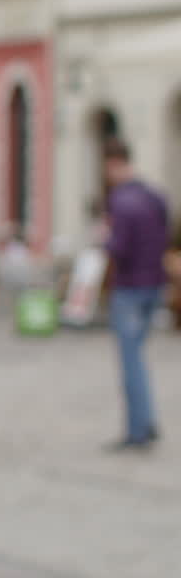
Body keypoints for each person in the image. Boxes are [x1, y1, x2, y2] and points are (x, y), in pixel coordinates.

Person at [101, 140, 169, 450]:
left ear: (113, 164)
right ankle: (147, 420)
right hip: (155, 284)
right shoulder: (155, 197)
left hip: (129, 287)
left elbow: (121, 247)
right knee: (139, 358)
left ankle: (137, 432)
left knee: (131, 362)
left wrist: (104, 242)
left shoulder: (121, 200)